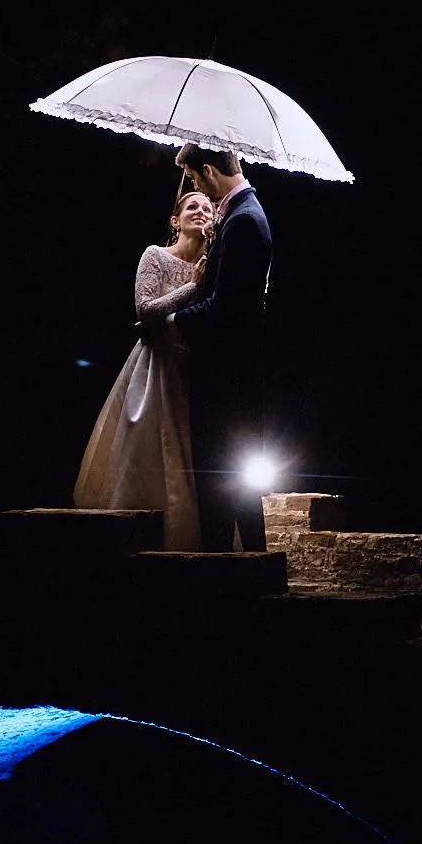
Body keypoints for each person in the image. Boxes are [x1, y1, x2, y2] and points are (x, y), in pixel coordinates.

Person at [72, 188, 215, 549]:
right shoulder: (155, 255)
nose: (200, 211)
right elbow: (145, 309)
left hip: (191, 368)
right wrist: (191, 289)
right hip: (154, 367)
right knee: (146, 450)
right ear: (175, 220)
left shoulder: (214, 266)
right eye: (192, 206)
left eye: (207, 208)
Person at [164, 143, 273, 553]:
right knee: (236, 496)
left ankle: (225, 586)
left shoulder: (244, 220)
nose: (195, 188)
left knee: (220, 490)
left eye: (193, 179)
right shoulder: (240, 214)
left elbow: (226, 310)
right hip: (234, 378)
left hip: (228, 380)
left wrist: (174, 324)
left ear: (208, 171)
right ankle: (250, 576)